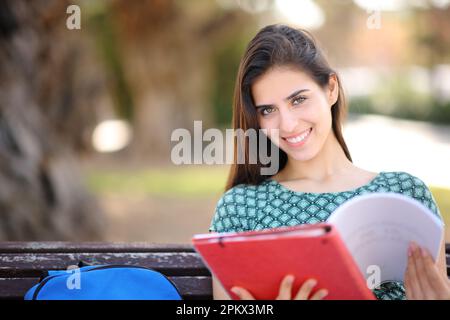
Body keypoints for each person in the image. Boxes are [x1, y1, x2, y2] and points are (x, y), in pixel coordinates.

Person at [208, 24, 449, 300]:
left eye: (298, 100)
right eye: (268, 110)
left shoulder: (406, 193)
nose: (287, 124)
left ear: (331, 89)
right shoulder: (240, 209)